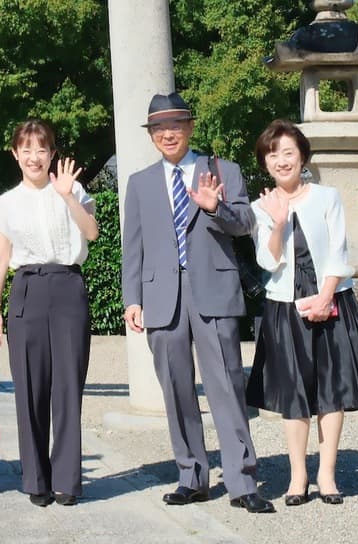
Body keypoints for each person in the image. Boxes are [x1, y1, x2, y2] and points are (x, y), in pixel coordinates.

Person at [120, 92, 274, 514]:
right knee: (175, 388)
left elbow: (245, 223)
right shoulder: (139, 183)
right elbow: (132, 247)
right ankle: (192, 475)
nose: (168, 133)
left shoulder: (223, 170)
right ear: (152, 136)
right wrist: (132, 298)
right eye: (159, 128)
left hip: (214, 290)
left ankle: (243, 480)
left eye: (175, 125)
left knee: (226, 385)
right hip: (161, 295)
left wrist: (216, 206)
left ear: (190, 128)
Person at [246, 119, 358, 506]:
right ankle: (297, 476)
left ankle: (327, 474)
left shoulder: (327, 197)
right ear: (265, 162)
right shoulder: (261, 206)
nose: (281, 160)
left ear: (302, 156)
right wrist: (276, 222)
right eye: (273, 154)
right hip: (284, 305)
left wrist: (326, 298)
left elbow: (339, 252)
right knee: (293, 394)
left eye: (288, 152)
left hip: (330, 299)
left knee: (331, 391)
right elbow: (267, 262)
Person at [0, 118, 97, 507]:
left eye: (42, 149)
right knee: (30, 388)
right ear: (15, 154)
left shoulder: (73, 188)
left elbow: (93, 232)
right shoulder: (5, 204)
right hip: (27, 289)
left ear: (52, 153)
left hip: (67, 286)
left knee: (68, 385)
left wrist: (67, 196)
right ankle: (36, 479)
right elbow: (0, 258)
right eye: (27, 149)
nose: (35, 157)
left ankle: (67, 479)